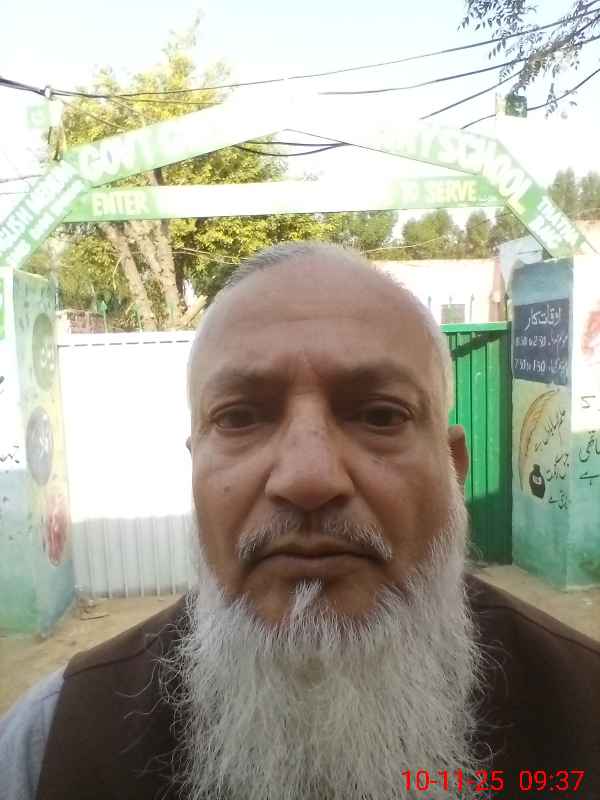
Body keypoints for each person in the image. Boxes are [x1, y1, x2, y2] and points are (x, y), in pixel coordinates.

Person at [1, 241, 599, 800]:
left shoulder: (584, 708)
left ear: (454, 468)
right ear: (195, 467)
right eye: (239, 417)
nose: (308, 478)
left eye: (380, 415)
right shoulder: (51, 747)